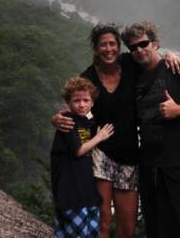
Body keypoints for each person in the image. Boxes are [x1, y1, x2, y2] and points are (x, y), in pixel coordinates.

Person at [53, 23, 180, 238]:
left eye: (112, 44)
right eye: (103, 45)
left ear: (119, 47)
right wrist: (57, 118)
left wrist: (169, 55)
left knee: (127, 227)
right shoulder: (88, 78)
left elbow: (150, 57)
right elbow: (76, 105)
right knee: (102, 222)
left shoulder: (129, 64)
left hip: (130, 154)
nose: (108, 49)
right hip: (101, 153)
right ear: (95, 49)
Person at [121, 21, 180, 238]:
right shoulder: (134, 73)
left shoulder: (177, 68)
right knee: (155, 224)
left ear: (155, 43)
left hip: (177, 159)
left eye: (143, 44)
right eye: (133, 47)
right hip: (148, 161)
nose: (139, 50)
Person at [51, 76, 115, 238]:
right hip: (71, 197)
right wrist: (99, 137)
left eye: (86, 100)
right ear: (68, 103)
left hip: (88, 196)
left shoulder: (85, 122)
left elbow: (94, 122)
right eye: (76, 101)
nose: (82, 104)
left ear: (92, 102)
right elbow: (78, 151)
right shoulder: (68, 122)